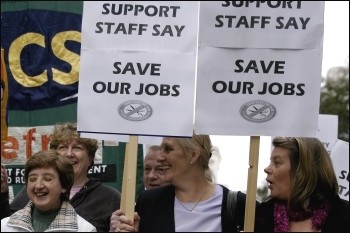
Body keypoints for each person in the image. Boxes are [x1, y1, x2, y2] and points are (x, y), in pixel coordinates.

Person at [110, 133, 251, 232]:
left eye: (168, 149)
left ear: (193, 155)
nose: (159, 157)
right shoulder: (149, 203)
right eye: (161, 149)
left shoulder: (238, 205)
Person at [1, 123, 121, 232]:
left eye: (77, 148)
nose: (69, 154)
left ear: (90, 158)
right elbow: (10, 224)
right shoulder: (31, 192)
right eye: (63, 147)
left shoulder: (110, 198)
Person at [254, 137, 349, 232]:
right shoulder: (258, 218)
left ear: (302, 170)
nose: (267, 169)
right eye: (271, 162)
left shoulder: (344, 217)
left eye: (277, 163)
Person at [1, 150, 96, 232]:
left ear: (64, 186)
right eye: (33, 179)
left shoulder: (85, 229)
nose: (38, 186)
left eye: (47, 179)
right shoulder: (5, 226)